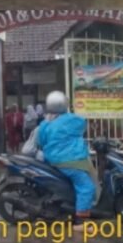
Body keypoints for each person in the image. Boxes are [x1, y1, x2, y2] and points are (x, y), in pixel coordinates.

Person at [36, 91, 97, 231]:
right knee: (87, 187)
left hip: (52, 159)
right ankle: (80, 221)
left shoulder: (45, 123)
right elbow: (83, 123)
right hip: (71, 160)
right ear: (65, 104)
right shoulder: (73, 120)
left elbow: (41, 141)